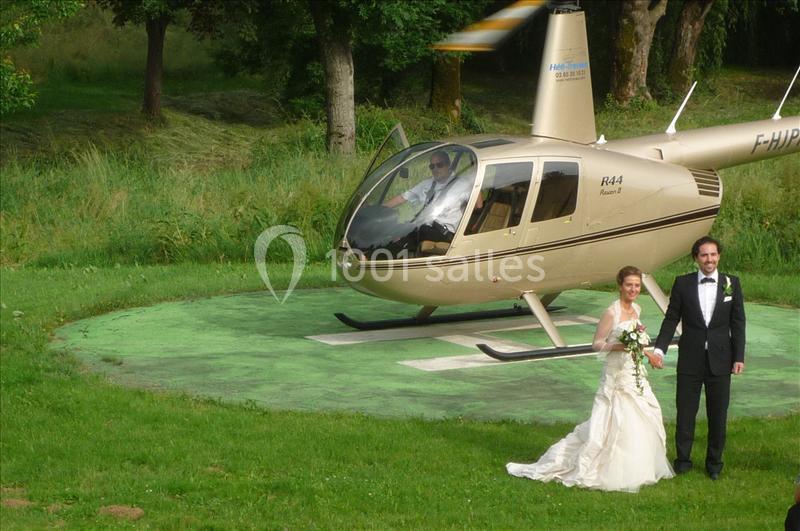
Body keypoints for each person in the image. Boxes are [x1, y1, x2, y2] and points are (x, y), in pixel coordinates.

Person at [506, 266, 674, 492]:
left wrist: (649, 354)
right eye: (629, 285)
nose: (633, 289)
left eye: (637, 285)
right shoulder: (611, 312)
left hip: (633, 373)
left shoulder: (637, 308)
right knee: (612, 420)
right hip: (616, 376)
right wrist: (618, 346)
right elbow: (597, 343)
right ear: (620, 286)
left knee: (642, 415)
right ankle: (602, 468)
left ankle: (639, 466)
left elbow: (637, 342)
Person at [652, 236, 746, 480]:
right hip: (690, 359)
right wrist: (659, 349)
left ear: (719, 257)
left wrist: (739, 356)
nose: (709, 259)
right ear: (696, 258)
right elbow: (671, 318)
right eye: (704, 255)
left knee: (718, 415)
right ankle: (683, 461)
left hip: (721, 360)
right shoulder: (682, 284)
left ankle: (714, 464)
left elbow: (738, 323)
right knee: (685, 413)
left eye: (713, 254)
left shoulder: (731, 283)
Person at [384, 150, 481, 245]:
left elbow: (478, 205)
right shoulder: (428, 183)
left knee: (415, 232)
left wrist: (475, 179)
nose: (435, 169)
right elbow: (401, 198)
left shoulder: (462, 184)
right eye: (432, 166)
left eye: (439, 165)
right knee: (393, 231)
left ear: (448, 165)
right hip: (424, 228)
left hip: (444, 234)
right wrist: (378, 208)